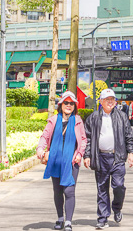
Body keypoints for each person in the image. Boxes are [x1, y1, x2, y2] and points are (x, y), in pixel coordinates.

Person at [83, 88, 133, 230]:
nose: (110, 102)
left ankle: (117, 208)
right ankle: (102, 218)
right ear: (101, 101)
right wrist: (87, 155)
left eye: (112, 99)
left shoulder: (122, 116)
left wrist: (131, 153)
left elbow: (128, 136)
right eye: (107, 99)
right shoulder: (93, 118)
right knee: (102, 188)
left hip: (117, 157)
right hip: (100, 157)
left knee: (118, 186)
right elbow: (87, 138)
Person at [37, 91, 87, 231]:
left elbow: (83, 140)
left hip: (71, 162)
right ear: (61, 105)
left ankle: (69, 221)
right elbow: (45, 137)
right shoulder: (53, 120)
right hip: (56, 161)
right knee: (58, 191)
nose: (69, 105)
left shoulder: (77, 121)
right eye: (66, 103)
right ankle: (60, 218)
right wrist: (40, 150)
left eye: (72, 103)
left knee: (69, 191)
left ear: (75, 106)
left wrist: (79, 154)